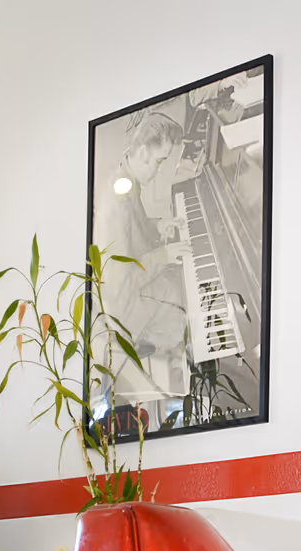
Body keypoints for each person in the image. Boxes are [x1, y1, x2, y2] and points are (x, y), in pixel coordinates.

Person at [92, 110, 192, 404]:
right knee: (182, 304)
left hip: (129, 285)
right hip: (121, 308)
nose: (160, 170)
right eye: (160, 162)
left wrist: (159, 225)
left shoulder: (125, 178)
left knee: (178, 280)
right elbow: (122, 280)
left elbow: (132, 231)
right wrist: (162, 255)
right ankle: (178, 378)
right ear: (144, 152)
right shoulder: (116, 202)